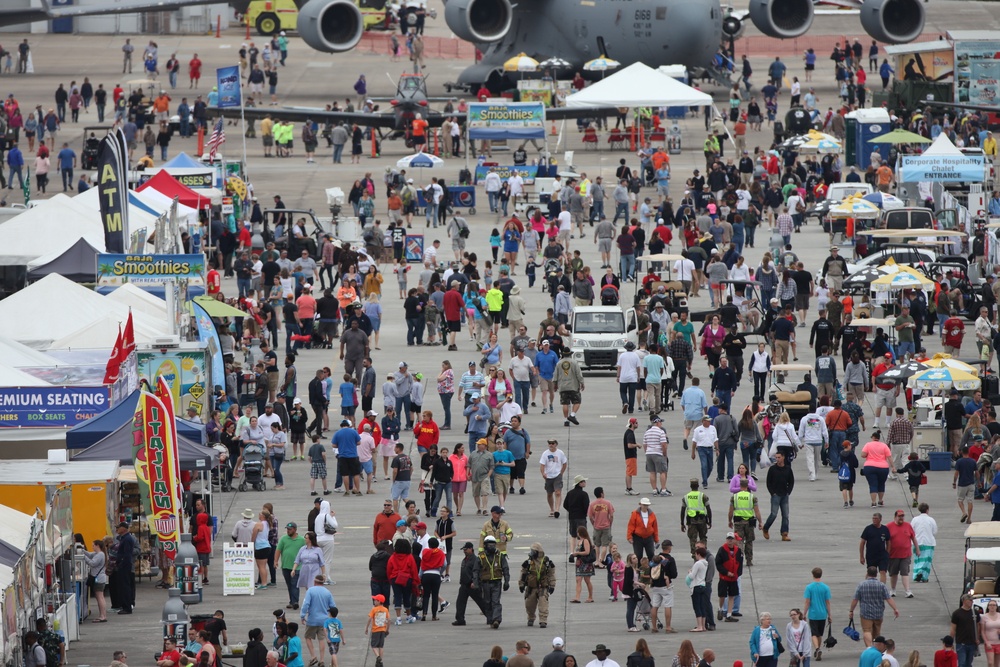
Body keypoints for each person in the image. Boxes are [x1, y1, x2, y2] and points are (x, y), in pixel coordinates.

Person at [849, 566, 899, 646]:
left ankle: (869, 648)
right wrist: (895, 609)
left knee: (867, 630)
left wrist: (851, 610)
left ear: (867, 573)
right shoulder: (881, 585)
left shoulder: (861, 585)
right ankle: (877, 648)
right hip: (878, 613)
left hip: (866, 613)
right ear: (876, 574)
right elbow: (888, 598)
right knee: (877, 632)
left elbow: (855, 599)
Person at [472, 535, 510, 629]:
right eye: (489, 544)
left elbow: (505, 569)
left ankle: (496, 619)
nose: (491, 546)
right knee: (487, 602)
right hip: (485, 583)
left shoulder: (500, 556)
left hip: (497, 582)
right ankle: (490, 619)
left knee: (495, 602)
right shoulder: (481, 557)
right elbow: (476, 571)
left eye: (493, 544)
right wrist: (476, 583)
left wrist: (507, 581)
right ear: (485, 545)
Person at [886, 509, 919, 598]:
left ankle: (908, 591)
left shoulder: (908, 526)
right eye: (899, 516)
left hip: (905, 555)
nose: (901, 518)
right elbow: (885, 540)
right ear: (895, 517)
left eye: (902, 516)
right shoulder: (889, 526)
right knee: (893, 573)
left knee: (905, 572)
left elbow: (913, 538)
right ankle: (893, 590)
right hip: (893, 555)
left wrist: (917, 549)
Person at [648, 539, 678, 634]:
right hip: (665, 585)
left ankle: (653, 626)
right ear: (669, 547)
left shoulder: (655, 558)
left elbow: (650, 570)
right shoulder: (670, 559)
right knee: (668, 606)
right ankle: (668, 627)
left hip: (655, 585)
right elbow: (674, 574)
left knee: (655, 606)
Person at [762, 451, 794, 541]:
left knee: (785, 515)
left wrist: (788, 491)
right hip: (776, 495)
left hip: (784, 495)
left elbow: (791, 481)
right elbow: (768, 482)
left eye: (779, 457)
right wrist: (772, 493)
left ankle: (784, 533)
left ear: (783, 457)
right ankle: (766, 528)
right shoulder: (772, 469)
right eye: (776, 457)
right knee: (773, 514)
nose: (777, 459)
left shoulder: (788, 469)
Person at [803, 567, 832, 660]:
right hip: (823, 614)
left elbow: (807, 601)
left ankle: (817, 648)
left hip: (813, 613)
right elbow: (828, 602)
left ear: (813, 575)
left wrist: (804, 614)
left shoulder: (809, 587)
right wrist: (829, 615)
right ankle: (818, 649)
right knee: (820, 634)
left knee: (814, 633)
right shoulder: (826, 587)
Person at [715, 532, 743, 623]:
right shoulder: (722, 550)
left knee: (732, 595)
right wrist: (726, 573)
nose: (730, 541)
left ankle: (729, 614)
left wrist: (738, 574)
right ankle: (720, 609)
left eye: (731, 539)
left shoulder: (738, 551)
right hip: (724, 577)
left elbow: (740, 563)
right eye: (728, 539)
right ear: (726, 540)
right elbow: (718, 564)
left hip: (734, 578)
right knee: (722, 595)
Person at [860, 512, 891, 584]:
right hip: (871, 555)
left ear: (880, 519)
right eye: (873, 518)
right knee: (870, 571)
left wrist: (887, 553)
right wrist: (861, 556)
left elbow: (888, 541)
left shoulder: (885, 529)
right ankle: (867, 585)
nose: (874, 520)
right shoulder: (868, 529)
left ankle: (882, 587)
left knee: (883, 571)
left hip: (882, 555)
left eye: (876, 519)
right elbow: (862, 543)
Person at [911, 503, 938, 583]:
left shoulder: (915, 519)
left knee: (918, 559)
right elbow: (935, 531)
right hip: (928, 542)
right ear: (927, 510)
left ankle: (917, 574)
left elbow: (911, 530)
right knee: (927, 560)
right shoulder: (931, 520)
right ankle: (924, 576)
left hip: (917, 542)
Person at [951, 594, 979, 667]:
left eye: (972, 600)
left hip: (972, 643)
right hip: (961, 643)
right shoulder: (957, 613)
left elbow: (978, 626)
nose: (971, 602)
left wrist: (977, 638)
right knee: (962, 663)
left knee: (968, 664)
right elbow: (953, 629)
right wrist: (950, 642)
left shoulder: (975, 613)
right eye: (969, 600)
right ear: (964, 601)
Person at [365, 594, 390, 667]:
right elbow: (388, 620)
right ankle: (380, 661)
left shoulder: (374, 609)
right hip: (383, 630)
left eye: (375, 600)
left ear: (379, 601)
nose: (374, 601)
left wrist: (366, 628)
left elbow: (369, 618)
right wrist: (387, 630)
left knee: (373, 646)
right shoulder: (386, 610)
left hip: (375, 630)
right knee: (381, 646)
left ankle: (378, 657)